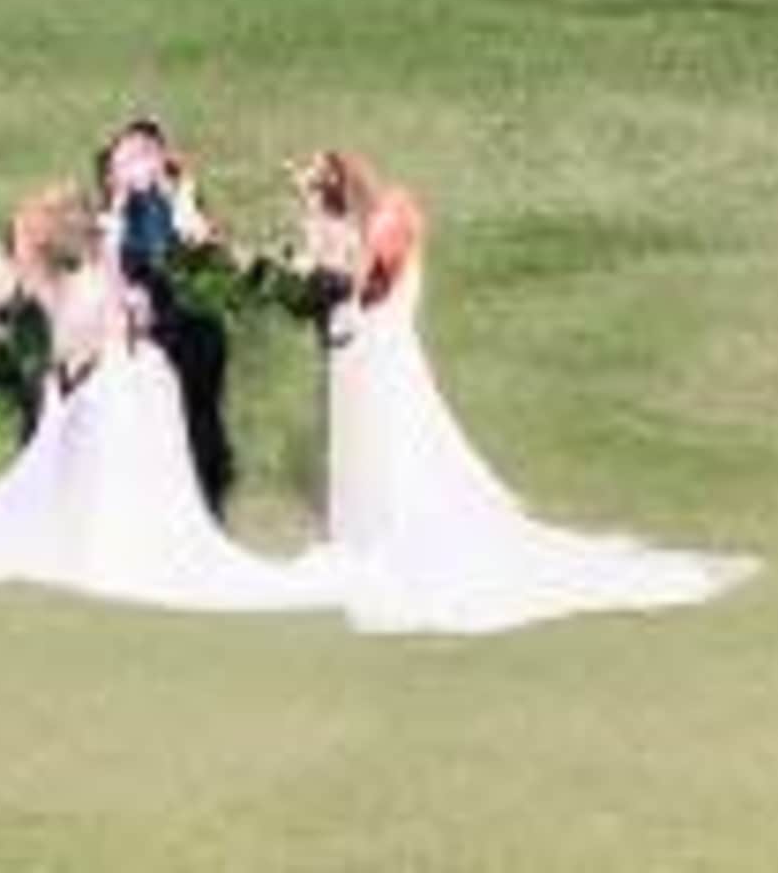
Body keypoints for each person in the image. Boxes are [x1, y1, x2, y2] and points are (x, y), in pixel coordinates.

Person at [0, 191, 321, 614]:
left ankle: (109, 544)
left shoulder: (85, 286)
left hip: (108, 391)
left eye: (26, 243)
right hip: (99, 387)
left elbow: (85, 342)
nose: (20, 252)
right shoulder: (78, 280)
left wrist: (68, 379)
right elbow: (67, 336)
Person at [296, 151, 751, 635]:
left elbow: (368, 286)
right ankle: (365, 517)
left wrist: (332, 273)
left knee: (394, 433)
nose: (314, 196)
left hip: (377, 346)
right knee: (386, 430)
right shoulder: (376, 221)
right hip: (367, 349)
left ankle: (386, 522)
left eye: (319, 186)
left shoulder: (390, 223)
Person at [102, 117, 234, 517]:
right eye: (124, 160)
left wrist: (174, 194)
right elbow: (112, 273)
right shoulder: (119, 216)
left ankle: (209, 494)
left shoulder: (181, 199)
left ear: (160, 159)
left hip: (194, 328)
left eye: (142, 155)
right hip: (150, 333)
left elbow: (198, 242)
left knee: (198, 417)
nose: (133, 167)